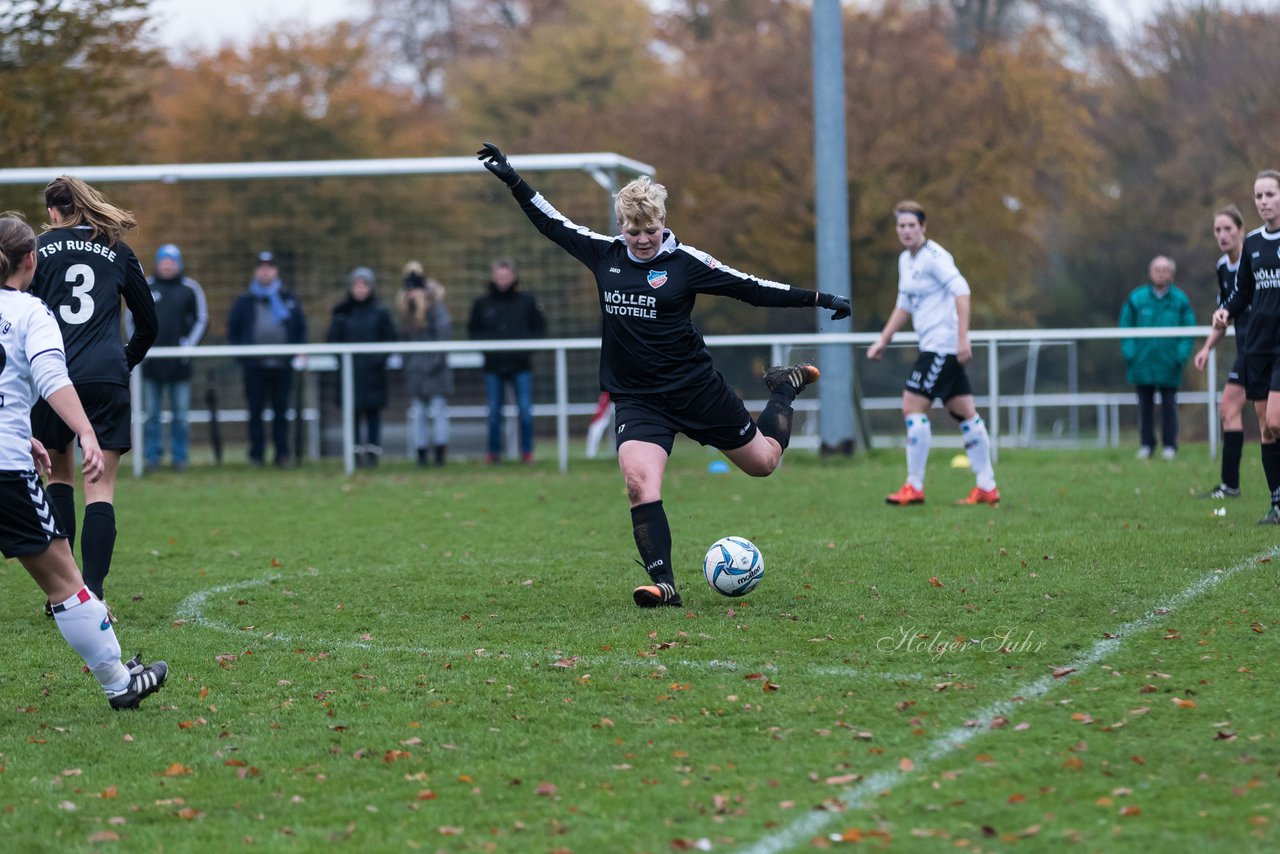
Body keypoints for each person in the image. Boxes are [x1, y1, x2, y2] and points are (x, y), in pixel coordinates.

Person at [477, 142, 850, 607]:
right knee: (639, 485)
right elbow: (552, 222)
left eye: (650, 230)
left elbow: (752, 289)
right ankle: (664, 584)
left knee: (764, 464)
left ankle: (784, 390)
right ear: (622, 227)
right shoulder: (604, 255)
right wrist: (513, 179)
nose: (643, 240)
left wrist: (819, 298)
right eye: (634, 231)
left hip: (696, 391)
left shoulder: (686, 264)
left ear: (663, 224)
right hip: (638, 398)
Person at [0, 212, 168, 709]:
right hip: (5, 471)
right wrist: (86, 432)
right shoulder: (31, 312)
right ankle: (121, 682)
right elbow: (51, 377)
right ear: (30, 261)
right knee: (67, 584)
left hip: (11, 450)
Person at [29, 176, 157, 609]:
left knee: (59, 477)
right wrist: (123, 362)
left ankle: (64, 594)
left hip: (53, 376)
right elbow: (149, 322)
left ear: (52, 212)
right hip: (105, 378)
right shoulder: (118, 250)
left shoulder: (37, 252)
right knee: (99, 489)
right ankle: (94, 593)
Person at [867, 200, 999, 506]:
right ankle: (987, 487)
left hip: (942, 346)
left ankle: (914, 486)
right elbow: (905, 305)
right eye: (901, 226)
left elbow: (962, 290)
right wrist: (883, 340)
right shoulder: (905, 260)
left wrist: (962, 338)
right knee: (965, 412)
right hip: (935, 346)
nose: (907, 231)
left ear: (923, 227)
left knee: (912, 407)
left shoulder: (935, 257)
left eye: (912, 225)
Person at [1215, 170, 1280, 524]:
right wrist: (1226, 310)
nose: (1264, 201)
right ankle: (1277, 503)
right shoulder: (1253, 242)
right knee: (1266, 428)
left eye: (1270, 194)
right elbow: (1242, 292)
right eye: (1258, 196)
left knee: (1276, 419)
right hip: (1257, 345)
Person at [228, 251, 307, 467]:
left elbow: (300, 328)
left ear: (276, 270)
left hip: (282, 365)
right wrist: (241, 356)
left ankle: (282, 453)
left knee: (281, 411)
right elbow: (234, 330)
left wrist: (297, 352)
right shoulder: (245, 300)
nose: (265, 270)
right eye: (261, 266)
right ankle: (256, 454)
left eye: (269, 266)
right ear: (256, 270)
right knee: (255, 412)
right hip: (254, 366)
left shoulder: (288, 298)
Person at [1193, 206, 1249, 498]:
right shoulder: (1222, 267)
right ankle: (1230, 485)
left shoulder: (1256, 258)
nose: (1223, 235)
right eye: (1218, 230)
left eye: (1228, 228)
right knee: (1228, 408)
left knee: (1272, 420)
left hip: (1269, 347)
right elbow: (1223, 314)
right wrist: (1206, 348)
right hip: (1247, 349)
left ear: (1241, 230)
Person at [468, 258, 547, 463]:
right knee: (494, 412)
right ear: (493, 277)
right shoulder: (482, 302)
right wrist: (488, 350)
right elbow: (473, 331)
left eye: (506, 276)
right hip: (493, 366)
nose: (502, 280)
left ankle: (527, 453)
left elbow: (539, 329)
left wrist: (526, 350)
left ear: (513, 276)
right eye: (499, 276)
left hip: (521, 365)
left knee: (525, 410)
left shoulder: (527, 301)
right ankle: (493, 453)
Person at [138, 243, 208, 471]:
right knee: (152, 415)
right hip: (152, 365)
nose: (167, 265)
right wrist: (142, 348)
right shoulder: (146, 286)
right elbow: (132, 317)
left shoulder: (190, 289)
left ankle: (180, 458)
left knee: (180, 415)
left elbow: (201, 320)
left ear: (178, 263)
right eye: (164, 260)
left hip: (180, 365)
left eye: (172, 261)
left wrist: (187, 348)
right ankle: (152, 458)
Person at [1120, 255, 1196, 461]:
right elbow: (1125, 327)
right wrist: (1131, 354)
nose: (1161, 273)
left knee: (1169, 406)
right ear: (1150, 272)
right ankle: (1146, 445)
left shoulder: (1180, 300)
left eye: (1165, 269)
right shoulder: (1137, 298)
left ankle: (1170, 446)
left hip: (1169, 364)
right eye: (1157, 269)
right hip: (1142, 364)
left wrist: (1180, 355)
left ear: (1171, 273)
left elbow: (1189, 329)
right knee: (1144, 406)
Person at [326, 266, 398, 467]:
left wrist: (378, 360)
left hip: (373, 374)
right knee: (353, 414)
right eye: (356, 285)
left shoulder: (380, 312)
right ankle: (354, 453)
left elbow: (390, 339)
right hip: (350, 374)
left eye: (363, 285)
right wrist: (344, 362)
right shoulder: (342, 312)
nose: (359, 289)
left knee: (373, 415)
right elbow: (333, 340)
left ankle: (373, 453)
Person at [396, 261, 453, 467]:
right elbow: (404, 344)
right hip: (415, 373)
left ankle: (440, 453)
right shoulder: (406, 314)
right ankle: (421, 453)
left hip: (435, 372)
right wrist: (410, 366)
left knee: (438, 411)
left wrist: (429, 365)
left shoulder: (437, 310)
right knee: (418, 413)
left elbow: (443, 340)